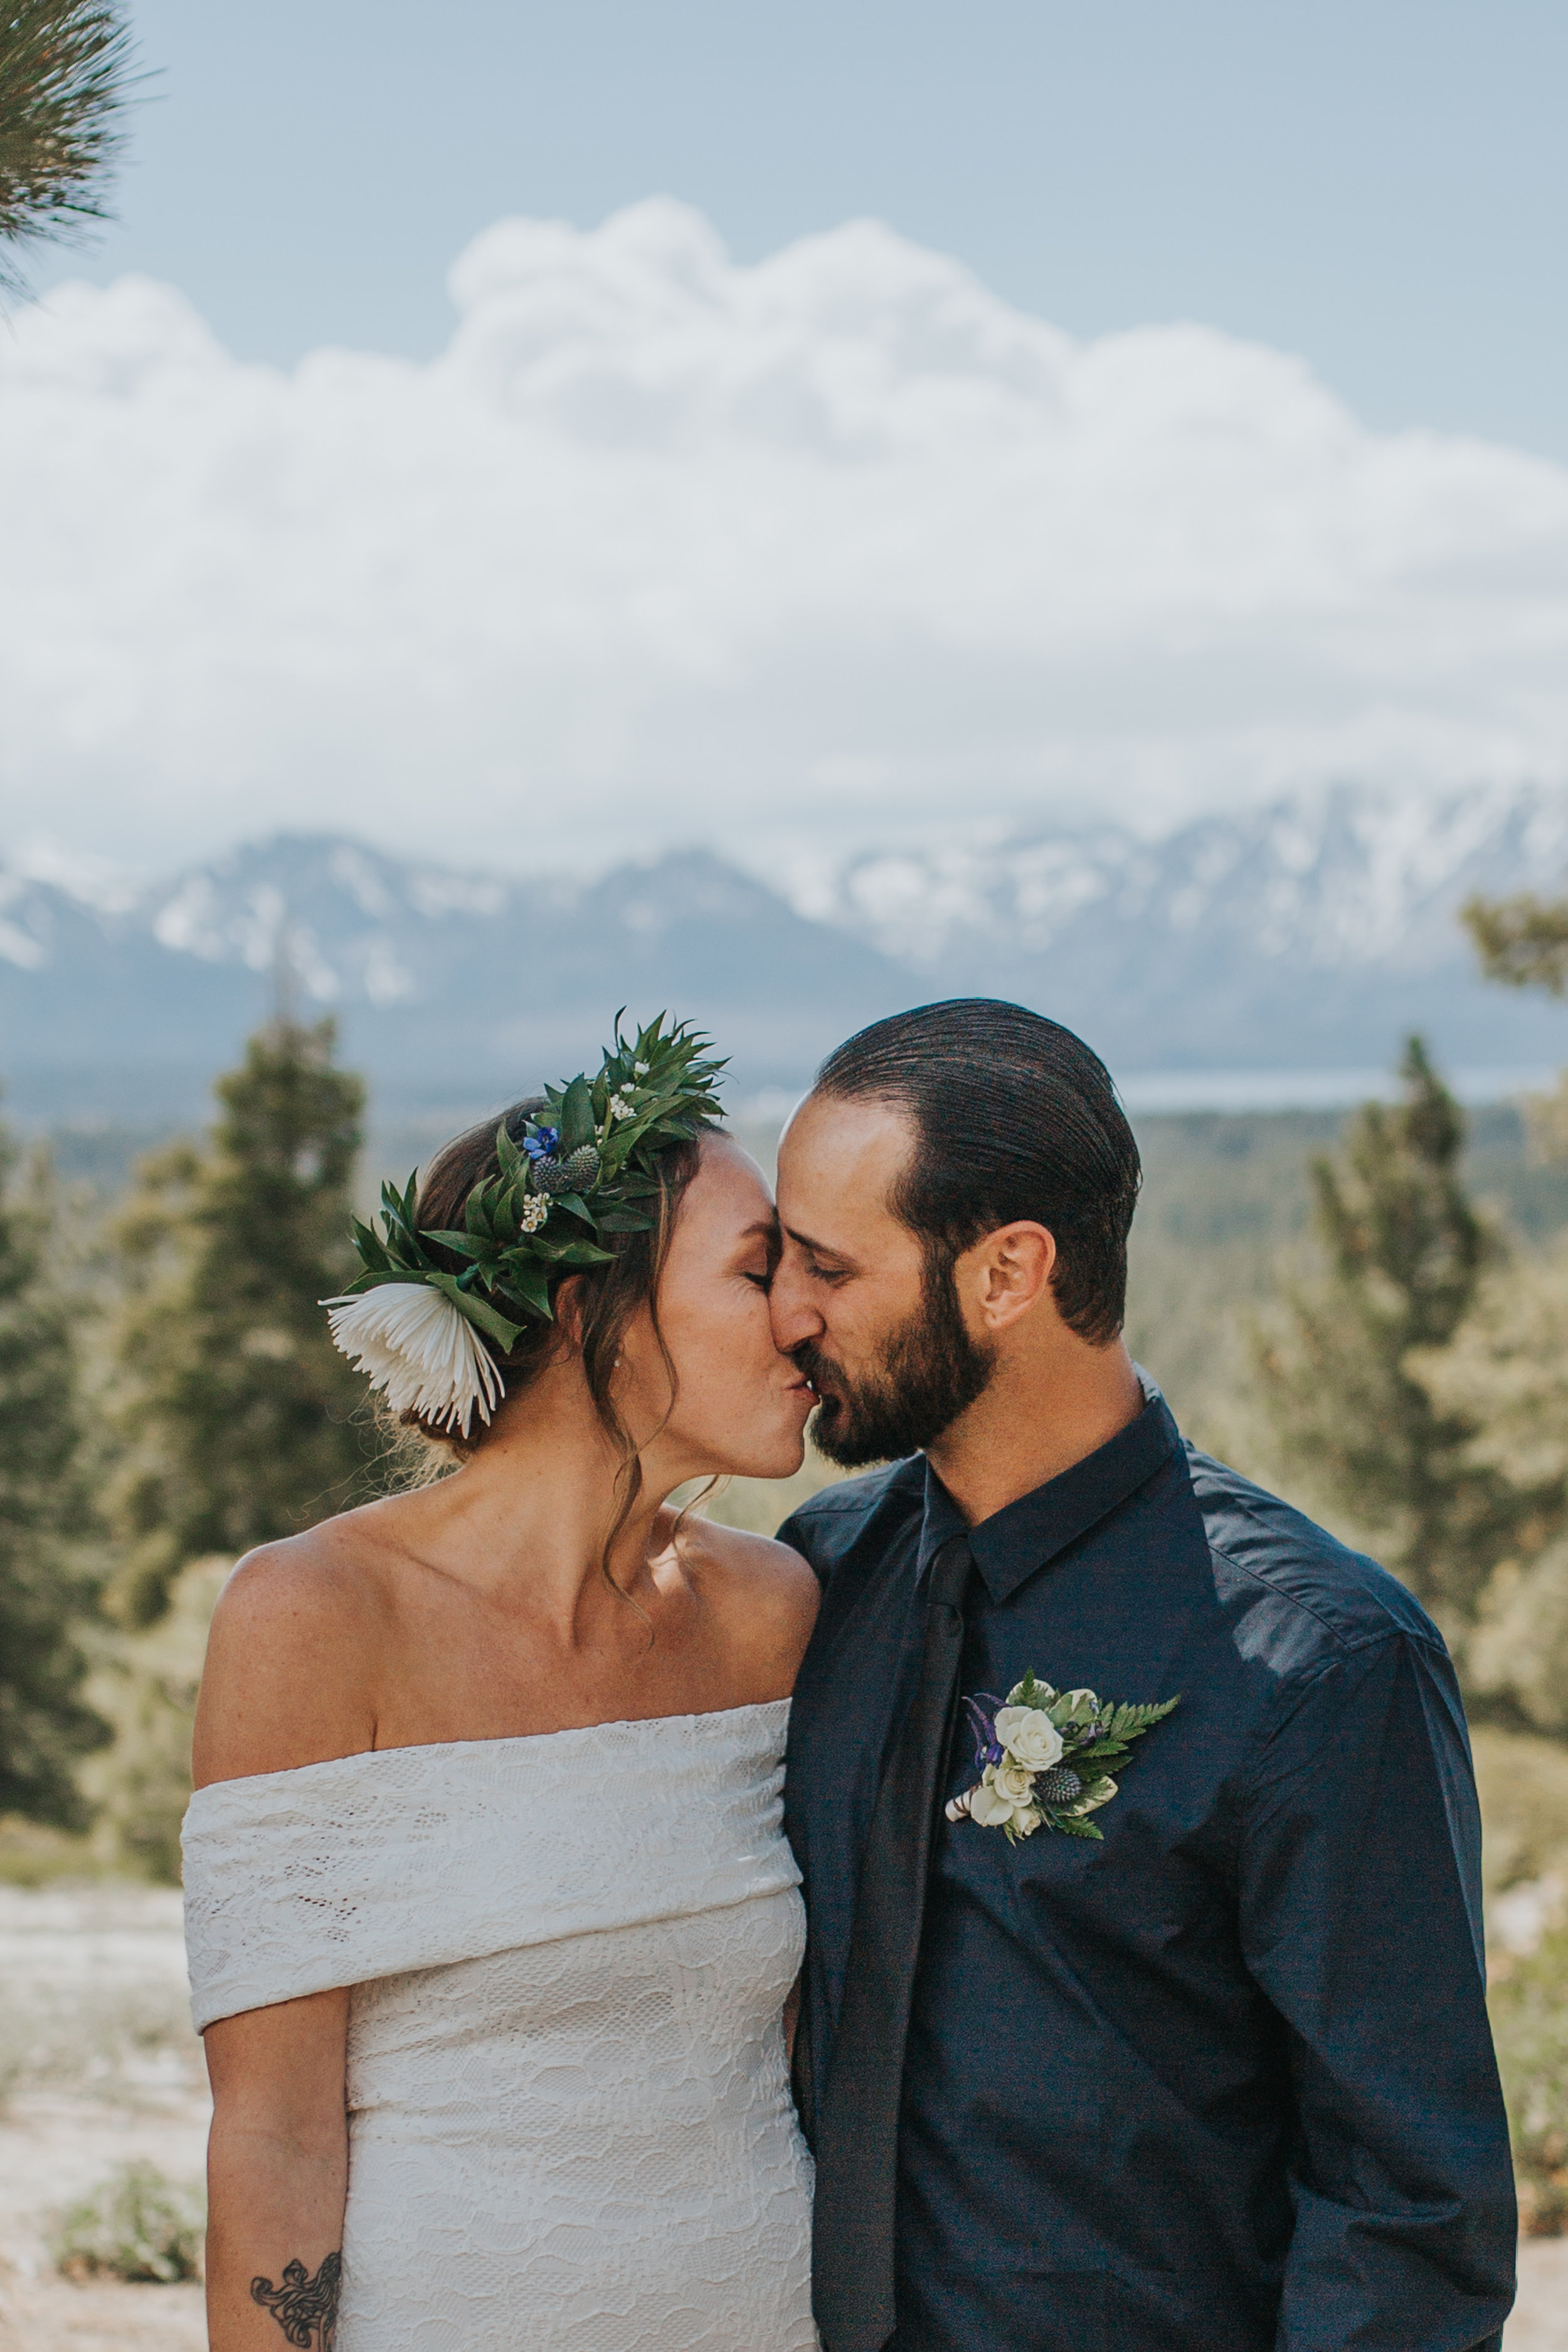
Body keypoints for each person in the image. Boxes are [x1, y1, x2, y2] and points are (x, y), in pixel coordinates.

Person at [769, 997, 1517, 2352]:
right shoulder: (824, 1574)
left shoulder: (1318, 1663)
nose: (785, 1313)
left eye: (827, 1268)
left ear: (1005, 1274)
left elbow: (1407, 2213)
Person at [183, 1017, 822, 2352]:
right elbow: (275, 2134)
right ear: (593, 1312)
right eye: (758, 1272)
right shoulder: (314, 1618)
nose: (804, 1321)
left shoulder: (773, 1615)